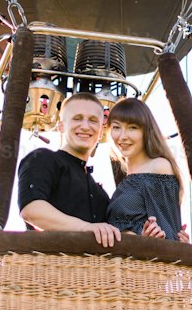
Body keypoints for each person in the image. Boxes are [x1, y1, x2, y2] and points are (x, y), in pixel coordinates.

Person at [17, 92, 124, 247]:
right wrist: (85, 228)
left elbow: (113, 233)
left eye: (93, 121)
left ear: (101, 132)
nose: (85, 126)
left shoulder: (101, 195)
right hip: (49, 266)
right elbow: (31, 209)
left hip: (93, 270)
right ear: (61, 126)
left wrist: (145, 232)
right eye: (77, 118)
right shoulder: (43, 158)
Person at [107, 99, 191, 243]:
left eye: (132, 127)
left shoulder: (158, 167)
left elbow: (168, 233)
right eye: (116, 127)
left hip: (146, 263)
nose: (122, 136)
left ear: (146, 131)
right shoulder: (127, 179)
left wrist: (148, 237)